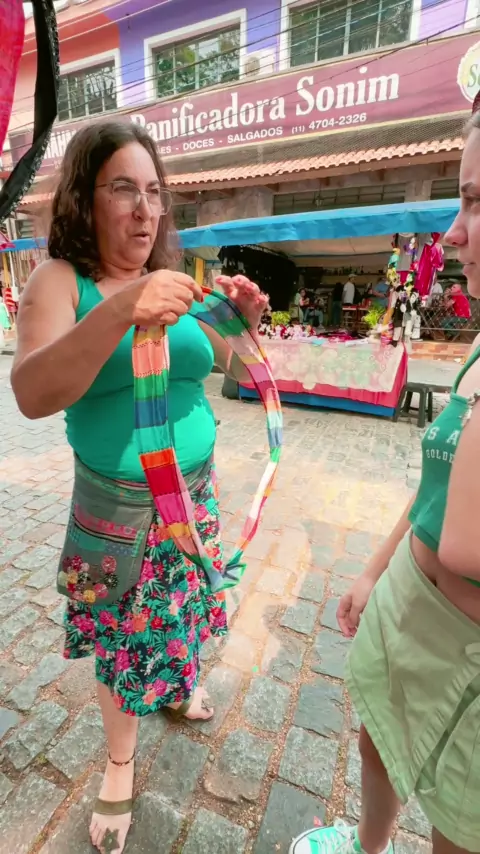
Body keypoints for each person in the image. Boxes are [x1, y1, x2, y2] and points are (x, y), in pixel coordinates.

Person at [11, 120, 268, 854]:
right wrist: (124, 306)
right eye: (123, 188)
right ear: (85, 199)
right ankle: (120, 765)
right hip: (119, 513)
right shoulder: (60, 281)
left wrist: (244, 325)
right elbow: (31, 392)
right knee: (122, 639)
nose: (144, 209)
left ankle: (178, 683)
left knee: (185, 607)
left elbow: (229, 367)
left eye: (154, 192)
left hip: (194, 496)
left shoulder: (175, 280)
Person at [289, 108, 480, 853]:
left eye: (476, 202)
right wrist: (374, 570)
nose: (454, 233)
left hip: (467, 646)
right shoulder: (476, 354)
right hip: (409, 601)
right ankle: (367, 845)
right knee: (377, 737)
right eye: (462, 200)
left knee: (457, 826)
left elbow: (466, 544)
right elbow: (436, 488)